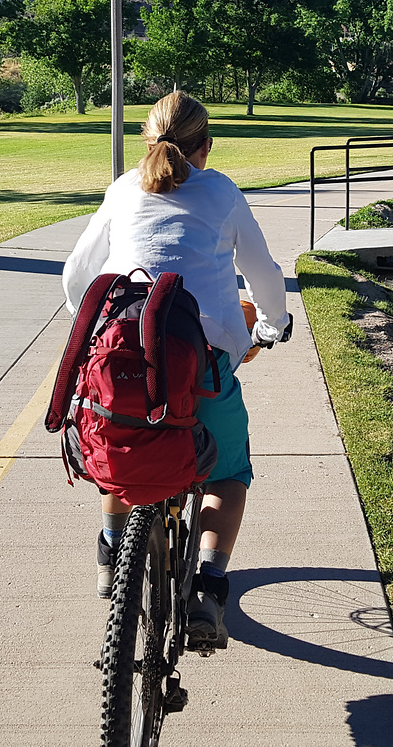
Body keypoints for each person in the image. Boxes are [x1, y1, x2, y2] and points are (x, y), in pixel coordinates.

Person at [61, 90, 290, 649]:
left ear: (147, 140)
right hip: (202, 359)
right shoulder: (222, 192)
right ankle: (209, 590)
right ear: (206, 147)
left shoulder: (121, 190)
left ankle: (112, 551)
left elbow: (76, 276)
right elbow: (264, 273)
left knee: (124, 440)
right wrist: (269, 326)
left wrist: (97, 327)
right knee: (228, 473)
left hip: (123, 352)